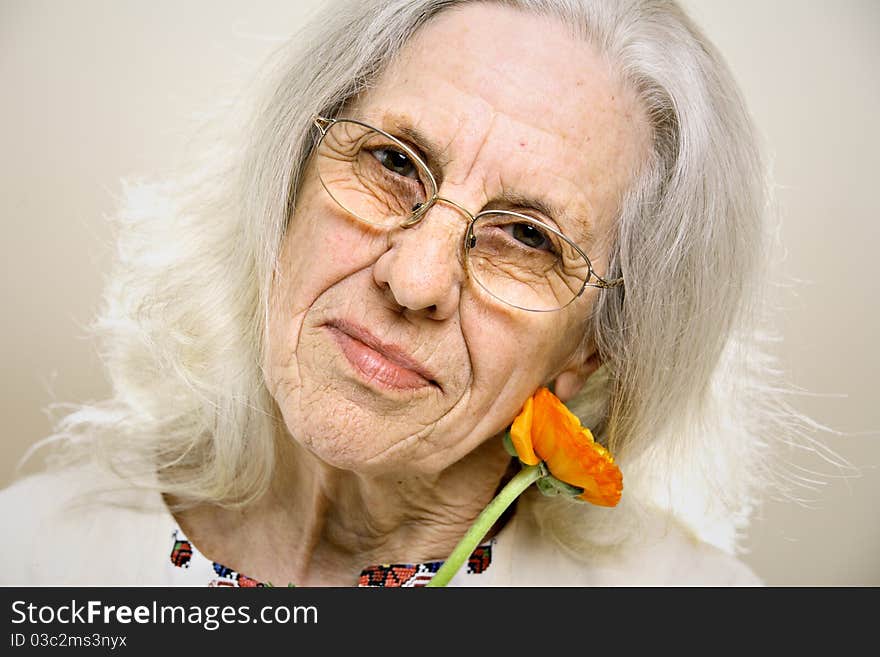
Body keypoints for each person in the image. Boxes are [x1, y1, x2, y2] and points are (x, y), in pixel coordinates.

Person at [1, 0, 790, 586]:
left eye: (529, 238)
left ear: (594, 344)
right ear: (290, 183)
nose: (413, 279)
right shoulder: (33, 555)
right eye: (393, 161)